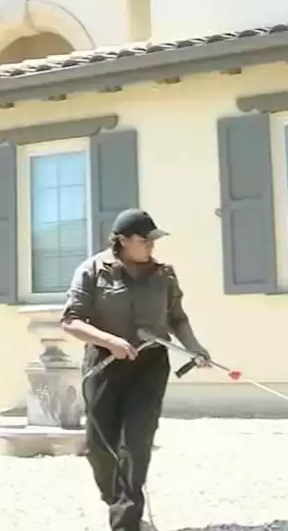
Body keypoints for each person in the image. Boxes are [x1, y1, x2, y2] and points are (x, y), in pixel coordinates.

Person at [60, 208, 211, 531]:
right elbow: (71, 321)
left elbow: (177, 318)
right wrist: (110, 341)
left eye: (154, 239)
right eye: (145, 240)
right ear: (123, 240)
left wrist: (194, 347)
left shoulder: (164, 275)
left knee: (136, 444)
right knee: (100, 448)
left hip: (150, 366)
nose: (152, 246)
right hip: (104, 365)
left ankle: (127, 522)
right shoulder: (92, 270)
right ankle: (118, 502)